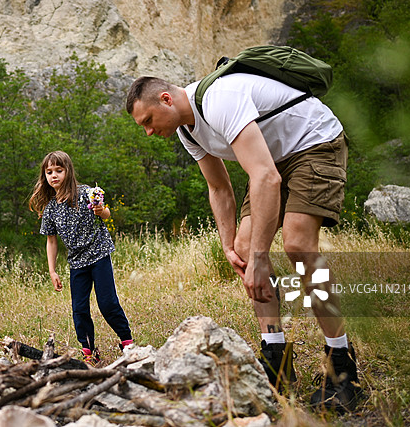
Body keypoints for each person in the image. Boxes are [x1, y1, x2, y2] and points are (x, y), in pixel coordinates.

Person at [126, 72, 362, 413]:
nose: (148, 131)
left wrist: (262, 256)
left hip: (315, 142)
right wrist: (228, 247)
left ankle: (342, 366)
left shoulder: (220, 99)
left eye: (148, 121)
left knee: (297, 245)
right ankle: (276, 362)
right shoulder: (187, 131)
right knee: (244, 248)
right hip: (272, 159)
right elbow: (219, 188)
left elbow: (265, 176)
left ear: (166, 99)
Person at [29, 150, 134, 365]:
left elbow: (106, 214)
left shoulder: (86, 193)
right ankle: (88, 350)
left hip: (98, 254)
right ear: (45, 176)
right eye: (49, 172)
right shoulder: (50, 210)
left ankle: (127, 343)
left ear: (68, 171)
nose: (54, 175)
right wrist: (52, 270)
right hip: (77, 263)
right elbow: (51, 241)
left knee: (107, 303)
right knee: (79, 307)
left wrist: (100, 210)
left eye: (59, 170)